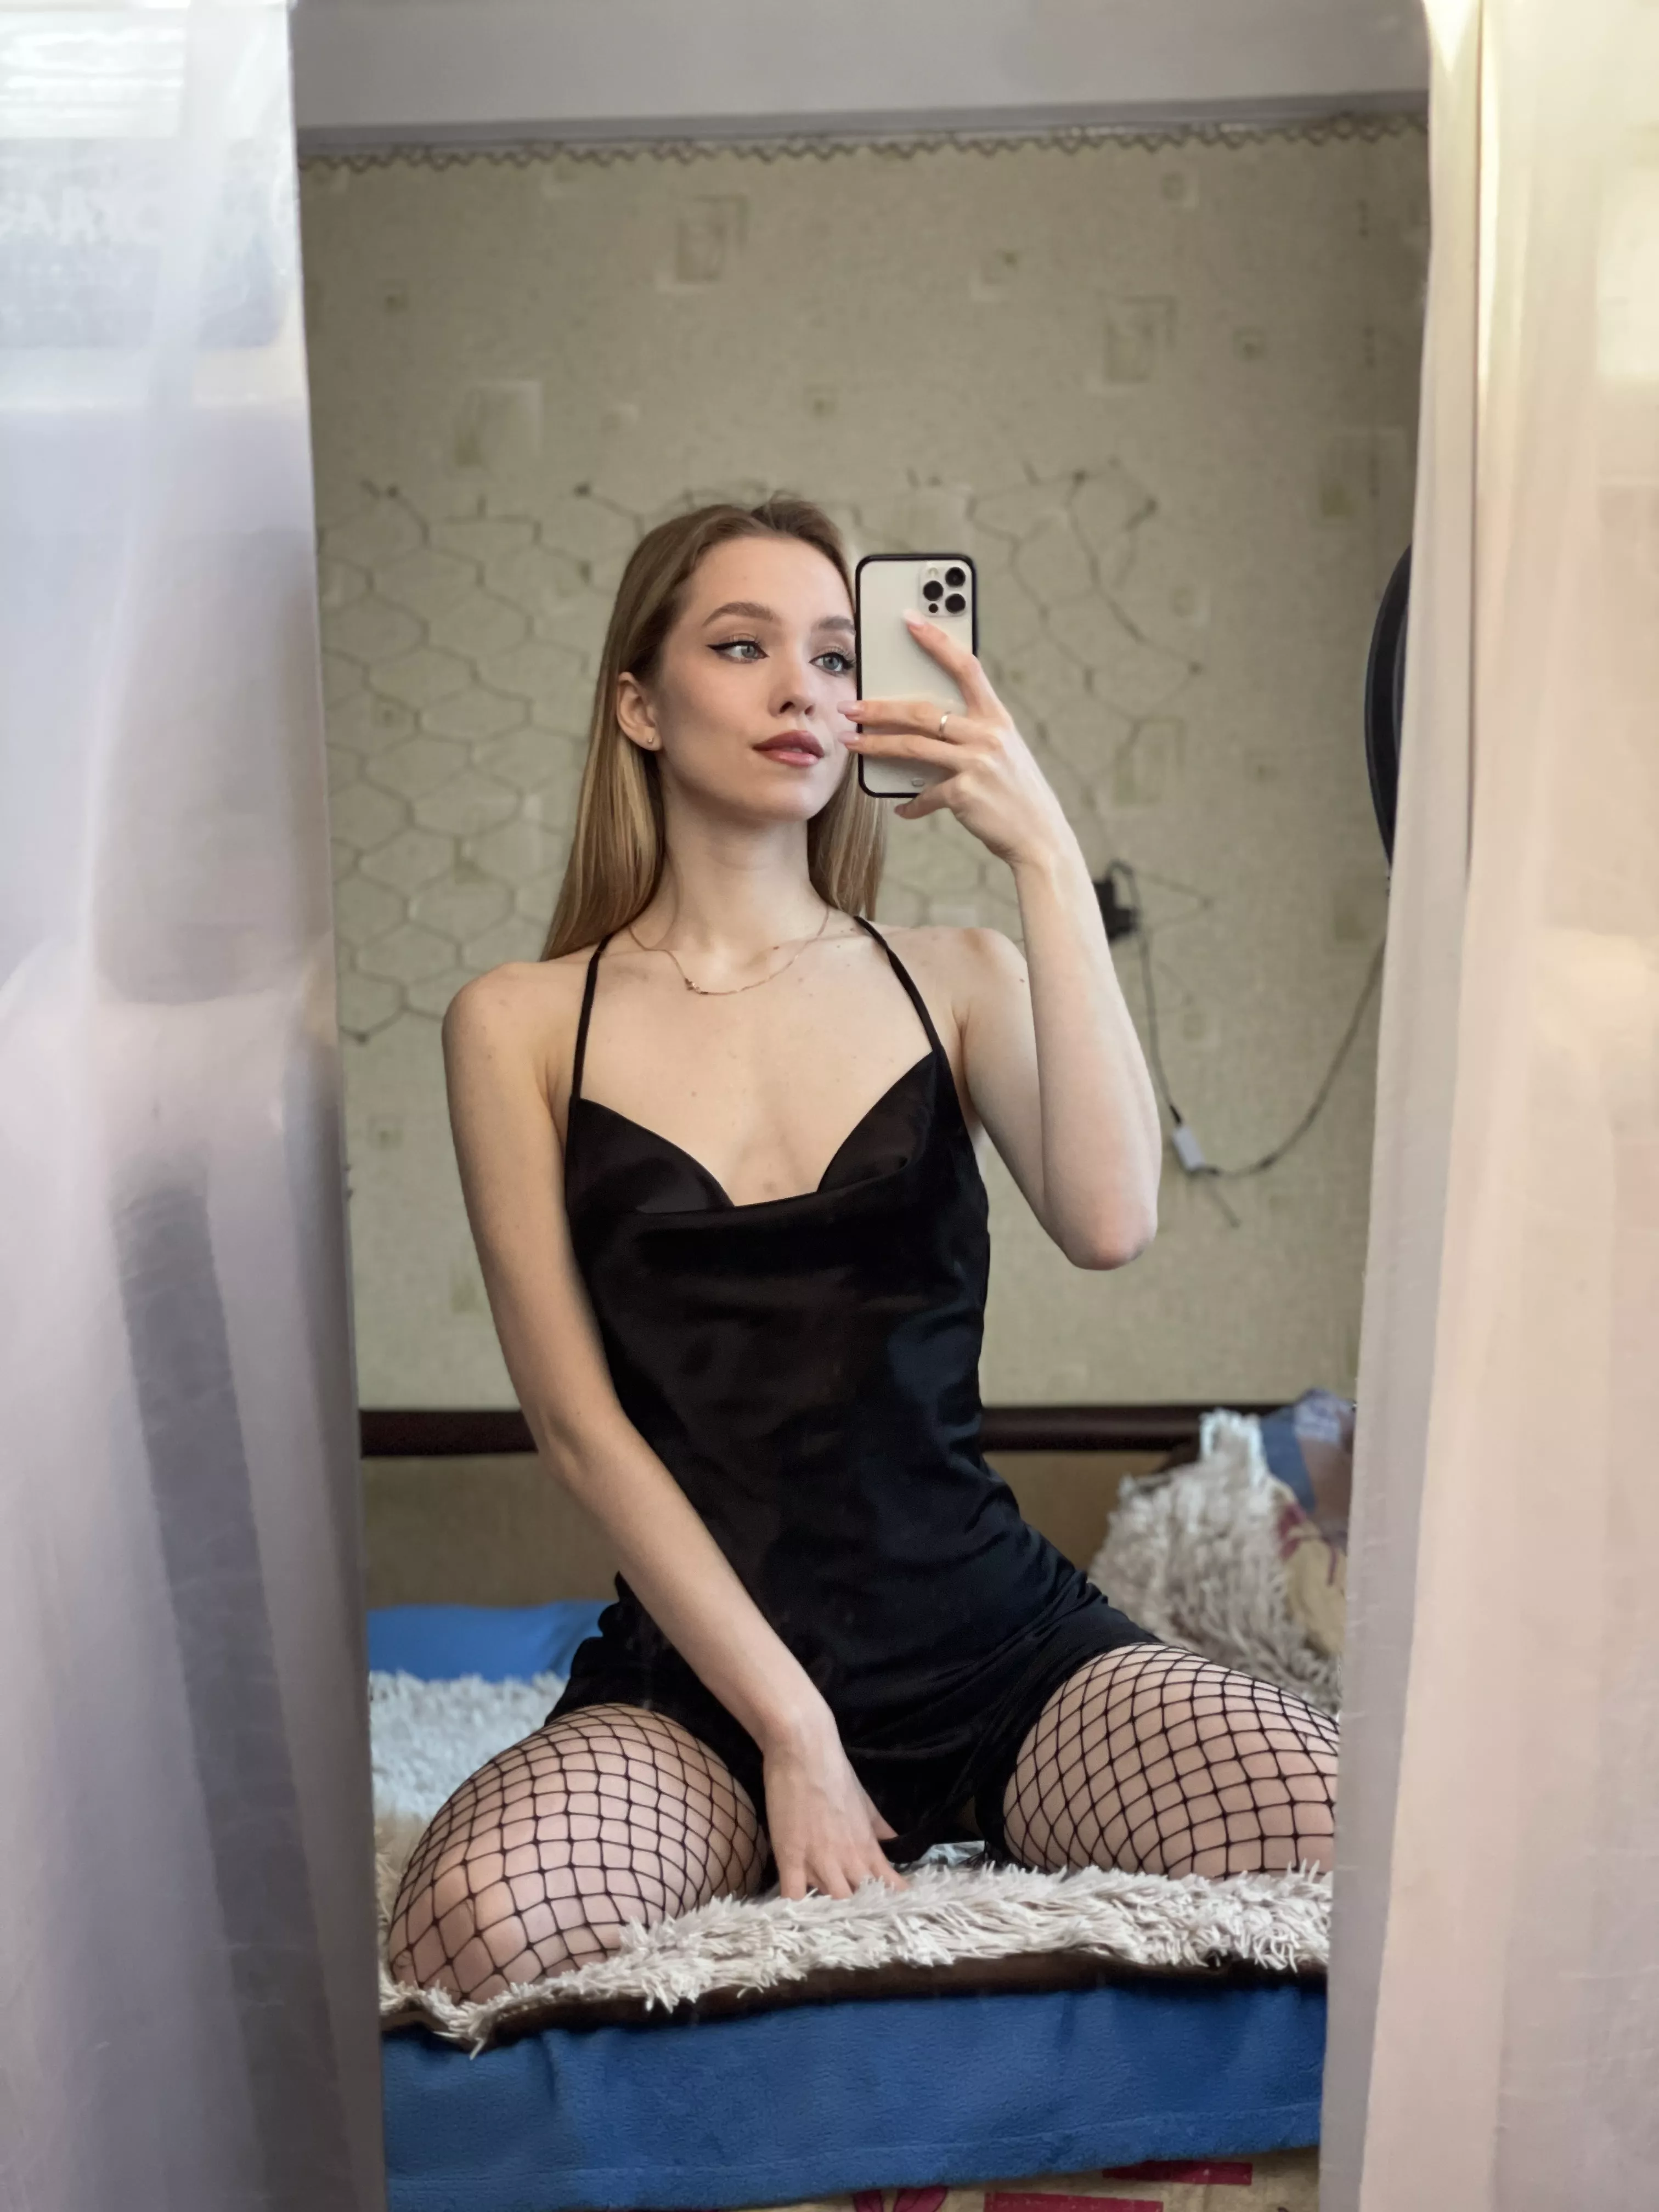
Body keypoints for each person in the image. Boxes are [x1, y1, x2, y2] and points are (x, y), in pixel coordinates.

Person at [387, 496, 1338, 2003]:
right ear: (640, 705)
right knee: (469, 1930)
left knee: (1362, 1829)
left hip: (998, 1652)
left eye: (837, 655)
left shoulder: (957, 976)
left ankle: (1000, 1809)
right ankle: (766, 1799)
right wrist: (796, 1736)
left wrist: (1041, 845)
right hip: (705, 1695)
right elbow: (577, 1429)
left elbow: (1112, 1221)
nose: (803, 689)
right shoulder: (518, 1022)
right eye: (742, 646)